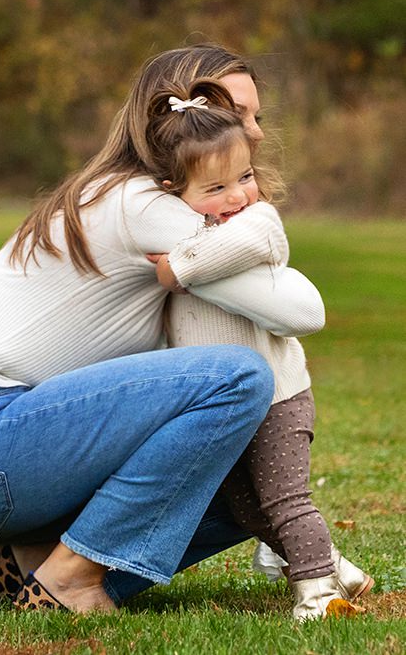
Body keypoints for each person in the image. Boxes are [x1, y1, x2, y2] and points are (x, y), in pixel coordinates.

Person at [0, 43, 328, 614]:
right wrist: (252, 232)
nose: (254, 133)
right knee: (239, 377)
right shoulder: (142, 203)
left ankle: (26, 562)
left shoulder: (120, 191)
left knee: (234, 476)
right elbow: (303, 309)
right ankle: (72, 577)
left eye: (256, 116)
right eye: (236, 114)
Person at [154, 93, 373, 619]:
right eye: (215, 188)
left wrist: (174, 266)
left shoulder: (258, 223)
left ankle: (319, 594)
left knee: (285, 499)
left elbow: (202, 259)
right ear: (171, 194)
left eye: (245, 177)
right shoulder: (176, 228)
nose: (237, 195)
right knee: (247, 508)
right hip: (222, 405)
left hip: (278, 397)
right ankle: (338, 570)